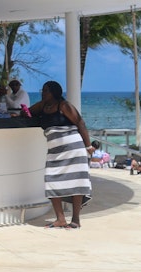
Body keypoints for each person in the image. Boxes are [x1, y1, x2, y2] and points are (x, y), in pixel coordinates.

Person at [28, 81, 93, 229]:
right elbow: (28, 112)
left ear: (54, 92)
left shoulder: (64, 106)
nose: (43, 93)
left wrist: (88, 145)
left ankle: (75, 220)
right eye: (42, 90)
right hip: (55, 152)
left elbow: (80, 123)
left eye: (46, 91)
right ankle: (60, 219)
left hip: (74, 149)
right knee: (51, 180)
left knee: (76, 183)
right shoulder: (42, 105)